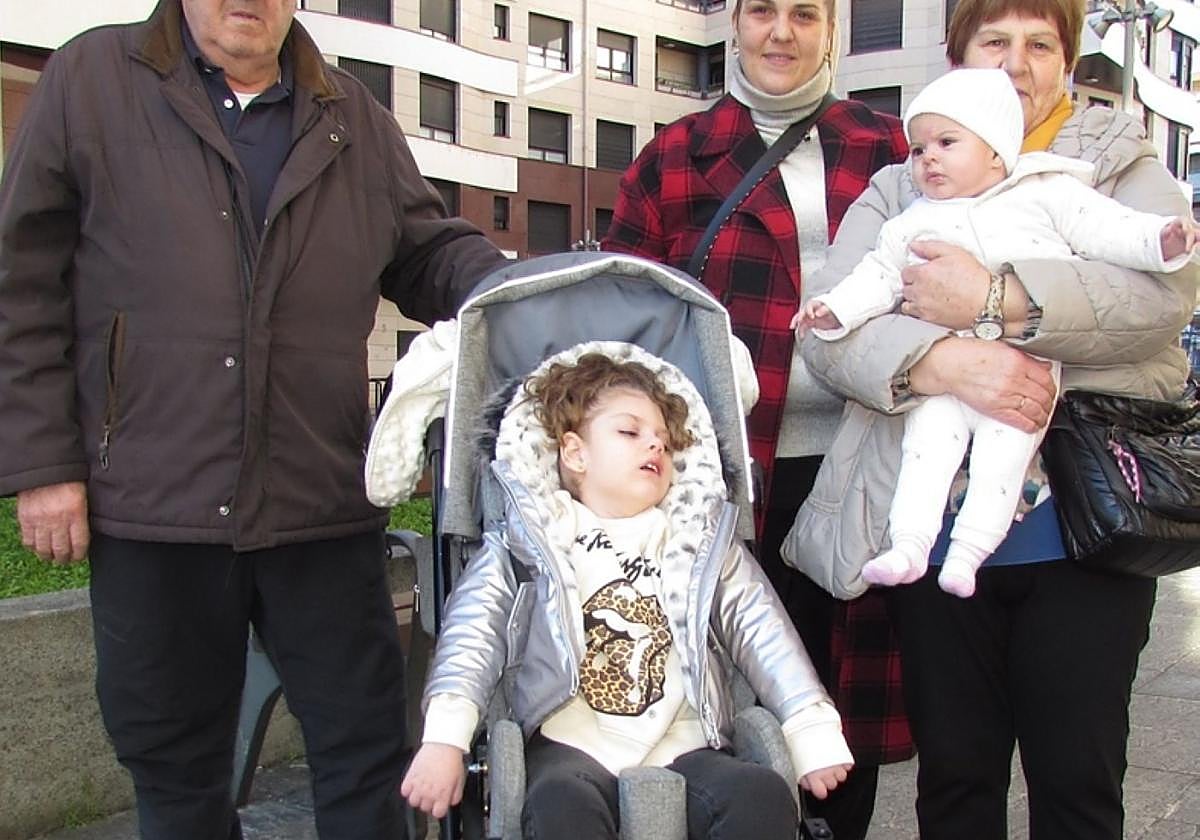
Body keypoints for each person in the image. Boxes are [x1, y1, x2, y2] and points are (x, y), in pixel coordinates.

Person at [0, 1, 506, 838]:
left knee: (366, 747)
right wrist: (44, 464)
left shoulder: (352, 113)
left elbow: (427, 253)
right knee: (172, 762)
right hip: (154, 497)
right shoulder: (92, 81)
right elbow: (23, 283)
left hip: (318, 501)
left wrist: (534, 292)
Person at [800, 0, 1200, 834]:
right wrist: (943, 361)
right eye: (995, 41)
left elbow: (1162, 300)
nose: (1017, 61)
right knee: (954, 780)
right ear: (959, 57)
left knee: (1078, 781)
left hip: (1085, 527)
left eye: (1039, 43)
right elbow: (833, 331)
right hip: (932, 526)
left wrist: (995, 301)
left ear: (1067, 57)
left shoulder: (1118, 166)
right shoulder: (904, 182)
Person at [602, 1, 912, 836]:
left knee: (845, 704)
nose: (782, 32)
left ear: (832, 31)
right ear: (736, 24)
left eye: (804, 12)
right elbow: (621, 326)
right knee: (728, 701)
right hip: (725, 484)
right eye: (762, 10)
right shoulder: (674, 157)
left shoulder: (892, 148)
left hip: (859, 471)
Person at [400, 348, 853, 839]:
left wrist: (810, 728)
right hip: (568, 738)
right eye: (630, 432)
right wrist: (446, 738)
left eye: (664, 439)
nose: (654, 447)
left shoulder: (696, 542)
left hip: (685, 739)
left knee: (760, 794)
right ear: (575, 452)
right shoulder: (530, 540)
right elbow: (474, 634)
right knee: (558, 805)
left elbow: (761, 629)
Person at [793, 67, 1196, 598]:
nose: (928, 157)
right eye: (918, 149)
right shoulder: (908, 218)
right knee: (925, 451)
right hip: (939, 380)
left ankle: (968, 550)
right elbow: (874, 276)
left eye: (946, 142)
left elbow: (1110, 232)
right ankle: (911, 545)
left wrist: (1161, 240)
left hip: (1027, 377)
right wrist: (834, 310)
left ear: (995, 150)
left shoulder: (1047, 191)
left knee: (1000, 460)